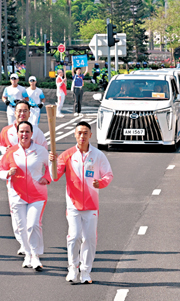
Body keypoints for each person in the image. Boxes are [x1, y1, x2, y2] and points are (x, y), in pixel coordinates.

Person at [50, 121, 113, 284]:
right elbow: (54, 176)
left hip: (91, 205)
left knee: (90, 239)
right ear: (75, 135)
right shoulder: (67, 155)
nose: (82, 136)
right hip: (73, 205)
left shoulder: (98, 155)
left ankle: (85, 271)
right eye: (79, 133)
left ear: (90, 135)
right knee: (74, 237)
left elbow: (108, 174)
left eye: (85, 133)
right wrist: (53, 162)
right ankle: (72, 268)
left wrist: (102, 183)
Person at [0, 121, 52, 271]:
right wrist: (7, 173)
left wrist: (47, 178)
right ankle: (27, 253)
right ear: (17, 134)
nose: (24, 134)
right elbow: (1, 170)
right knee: (21, 227)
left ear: (32, 133)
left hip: (37, 194)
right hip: (17, 194)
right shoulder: (11, 152)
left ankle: (35, 256)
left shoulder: (41, 151)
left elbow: (51, 168)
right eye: (21, 132)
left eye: (27, 131)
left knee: (33, 224)